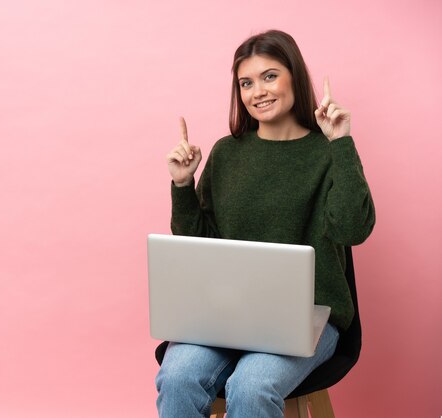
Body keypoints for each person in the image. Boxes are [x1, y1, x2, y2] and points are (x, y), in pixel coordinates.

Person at [155, 29, 375, 418]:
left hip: (308, 317)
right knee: (178, 378)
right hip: (224, 314)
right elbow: (199, 247)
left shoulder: (325, 153)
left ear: (294, 76)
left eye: (270, 76)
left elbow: (352, 229)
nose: (258, 91)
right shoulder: (226, 154)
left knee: (252, 386)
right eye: (246, 82)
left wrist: (341, 142)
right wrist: (183, 184)